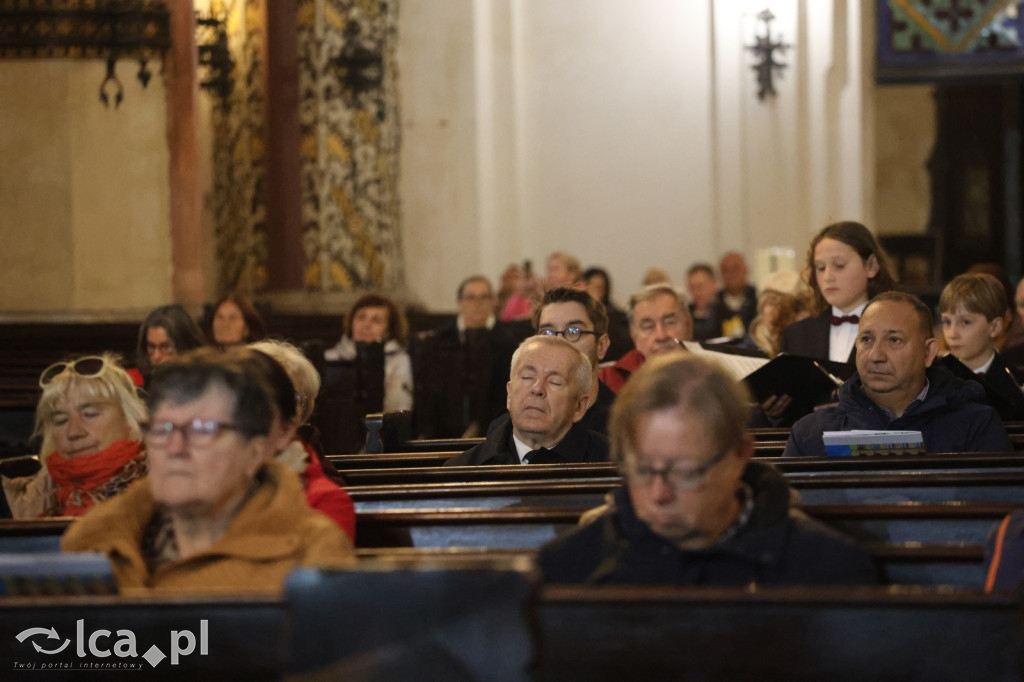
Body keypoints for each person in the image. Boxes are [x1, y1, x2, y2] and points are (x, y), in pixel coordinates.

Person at [536, 353, 878, 585]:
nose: (659, 494)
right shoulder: (569, 569)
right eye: (641, 470)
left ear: (740, 455)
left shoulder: (829, 571)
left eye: (685, 472)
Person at [61, 348, 354, 595]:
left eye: (202, 430)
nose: (175, 447)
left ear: (254, 452)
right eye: (163, 429)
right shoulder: (93, 538)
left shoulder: (311, 550)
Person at [784, 292, 1012, 456]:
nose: (876, 355)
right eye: (866, 339)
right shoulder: (810, 433)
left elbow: (996, 513)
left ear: (928, 352)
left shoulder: (976, 425)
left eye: (894, 340)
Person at [1, 354, 148, 518]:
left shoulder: (170, 492)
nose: (74, 432)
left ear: (131, 419)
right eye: (61, 420)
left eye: (90, 414)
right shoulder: (22, 505)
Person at [248, 341, 356, 543]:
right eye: (257, 396)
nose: (271, 410)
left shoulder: (324, 498)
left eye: (288, 399)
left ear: (301, 412)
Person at [445, 335, 609, 466]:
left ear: (579, 406)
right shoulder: (463, 469)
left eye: (555, 382)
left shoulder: (614, 465)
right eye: (527, 377)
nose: (537, 389)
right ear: (509, 394)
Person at [780, 221, 897, 364]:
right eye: (821, 268)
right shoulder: (796, 335)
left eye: (839, 265)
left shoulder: (897, 328)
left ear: (871, 265)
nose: (828, 277)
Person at [416, 276, 517, 437]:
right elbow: (427, 393)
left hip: (492, 432)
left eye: (484, 297)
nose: (478, 303)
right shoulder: (437, 341)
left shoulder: (508, 344)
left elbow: (505, 395)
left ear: (493, 302)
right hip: (442, 432)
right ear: (460, 303)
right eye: (471, 297)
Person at [938, 273, 1024, 422]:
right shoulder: (933, 378)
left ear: (995, 327)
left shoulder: (1016, 385)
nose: (952, 333)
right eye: (947, 322)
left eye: (965, 322)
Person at [534, 287, 615, 434]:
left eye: (573, 331)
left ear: (601, 345)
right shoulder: (517, 424)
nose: (558, 343)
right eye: (547, 333)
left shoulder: (625, 424)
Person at [325, 293, 413, 412]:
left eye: (376, 320)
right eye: (361, 317)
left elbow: (398, 407)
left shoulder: (400, 361)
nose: (366, 325)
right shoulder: (330, 357)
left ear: (388, 330)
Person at [598, 284, 692, 393]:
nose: (661, 336)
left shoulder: (713, 366)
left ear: (688, 325)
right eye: (648, 327)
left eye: (669, 323)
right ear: (634, 336)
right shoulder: (610, 379)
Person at [131, 304, 206, 387]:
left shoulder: (206, 386)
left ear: (185, 347)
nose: (156, 356)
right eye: (151, 347)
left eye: (165, 347)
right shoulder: (145, 388)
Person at [745, 269, 810, 358]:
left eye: (784, 305)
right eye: (772, 303)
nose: (776, 311)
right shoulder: (748, 348)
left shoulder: (805, 344)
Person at [714, 252, 758, 339]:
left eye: (736, 268)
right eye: (726, 270)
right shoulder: (713, 304)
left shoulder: (759, 300)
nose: (731, 274)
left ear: (746, 270)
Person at [686, 263, 721, 341]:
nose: (696, 292)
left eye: (700, 286)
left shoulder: (728, 314)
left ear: (715, 284)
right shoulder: (685, 314)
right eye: (692, 287)